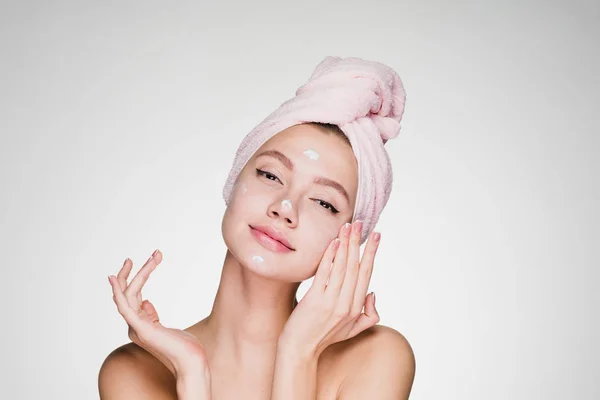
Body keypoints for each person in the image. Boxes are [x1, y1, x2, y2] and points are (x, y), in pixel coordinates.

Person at [98, 56, 416, 399]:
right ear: (233, 182)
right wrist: (192, 370)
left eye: (324, 202)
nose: (284, 208)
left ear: (350, 239)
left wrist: (297, 353)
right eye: (270, 175)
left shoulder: (376, 358)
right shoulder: (135, 372)